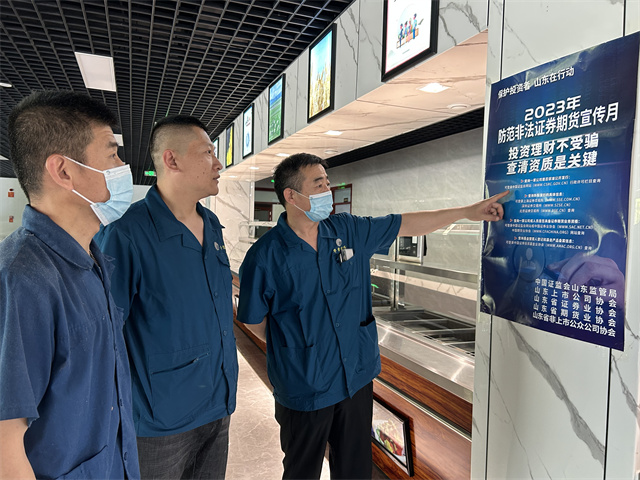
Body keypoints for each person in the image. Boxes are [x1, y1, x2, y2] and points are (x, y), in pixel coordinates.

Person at [237, 153, 507, 480]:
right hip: (304, 386)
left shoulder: (348, 231)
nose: (327, 192)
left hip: (355, 378)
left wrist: (467, 212)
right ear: (291, 196)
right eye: (318, 185)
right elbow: (254, 320)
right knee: (301, 471)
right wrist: (296, 350)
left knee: (355, 469)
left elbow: (406, 223)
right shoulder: (265, 256)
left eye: (327, 183)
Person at [0, 90, 139, 479]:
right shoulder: (22, 278)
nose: (122, 167)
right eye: (112, 155)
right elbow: (4, 443)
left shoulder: (91, 258)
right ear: (63, 171)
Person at [95, 115, 237, 479]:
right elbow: (104, 334)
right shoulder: (126, 234)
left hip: (218, 403)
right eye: (207, 153)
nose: (218, 164)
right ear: (172, 160)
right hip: (159, 421)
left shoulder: (212, 226)